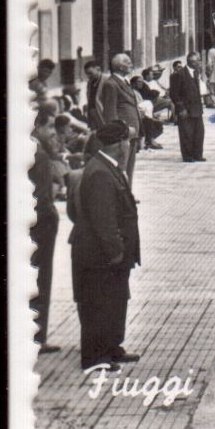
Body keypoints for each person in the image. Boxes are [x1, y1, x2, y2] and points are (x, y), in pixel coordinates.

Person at [71, 120, 141, 370]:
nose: (130, 146)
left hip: (109, 253)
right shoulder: (100, 172)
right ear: (119, 144)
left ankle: (112, 348)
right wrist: (117, 252)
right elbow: (104, 220)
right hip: (101, 254)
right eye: (128, 141)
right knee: (99, 303)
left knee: (114, 300)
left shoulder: (107, 167)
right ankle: (96, 357)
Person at [31, 104, 63, 354]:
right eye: (49, 126)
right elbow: (41, 200)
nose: (54, 132)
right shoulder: (38, 155)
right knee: (41, 281)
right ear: (37, 126)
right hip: (40, 229)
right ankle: (36, 337)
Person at [95, 54, 144, 182]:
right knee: (121, 166)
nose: (131, 64)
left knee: (129, 166)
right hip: (123, 134)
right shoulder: (111, 84)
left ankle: (127, 194)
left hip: (131, 132)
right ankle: (120, 195)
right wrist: (119, 134)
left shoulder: (124, 82)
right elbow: (110, 113)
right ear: (119, 66)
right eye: (127, 62)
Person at [169, 56, 206, 162]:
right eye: (198, 60)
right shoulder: (178, 75)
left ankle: (198, 154)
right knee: (186, 133)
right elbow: (174, 94)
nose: (199, 62)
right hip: (185, 109)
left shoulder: (196, 73)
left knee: (199, 132)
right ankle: (187, 156)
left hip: (197, 109)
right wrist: (181, 109)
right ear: (191, 61)